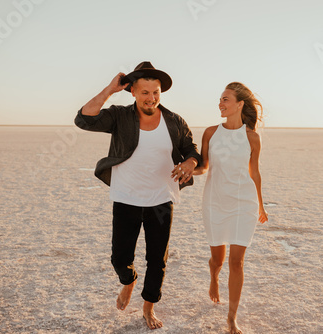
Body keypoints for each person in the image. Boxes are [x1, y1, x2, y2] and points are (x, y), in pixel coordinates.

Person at [74, 61, 201, 330]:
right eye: (145, 92)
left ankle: (148, 307)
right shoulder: (120, 116)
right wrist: (110, 90)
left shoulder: (174, 121)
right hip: (126, 198)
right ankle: (128, 281)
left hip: (161, 201)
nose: (151, 98)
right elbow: (84, 119)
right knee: (120, 258)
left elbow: (192, 150)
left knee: (157, 260)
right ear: (132, 92)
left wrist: (190, 163)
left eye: (156, 92)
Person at [194, 82, 268, 334]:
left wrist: (260, 204)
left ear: (239, 105)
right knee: (218, 259)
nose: (220, 104)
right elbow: (203, 167)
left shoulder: (252, 138)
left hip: (243, 204)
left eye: (225, 99)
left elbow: (255, 173)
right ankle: (213, 277)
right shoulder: (210, 133)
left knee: (237, 263)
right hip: (215, 202)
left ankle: (231, 318)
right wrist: (185, 170)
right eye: (220, 99)